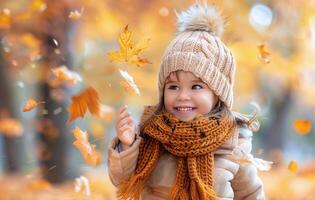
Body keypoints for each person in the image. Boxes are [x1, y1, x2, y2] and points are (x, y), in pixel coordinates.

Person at [108, 3, 267, 200]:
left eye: (196, 87)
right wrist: (126, 146)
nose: (182, 95)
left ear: (218, 94)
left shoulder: (233, 145)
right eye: (173, 87)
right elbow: (122, 180)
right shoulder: (151, 135)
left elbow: (251, 194)